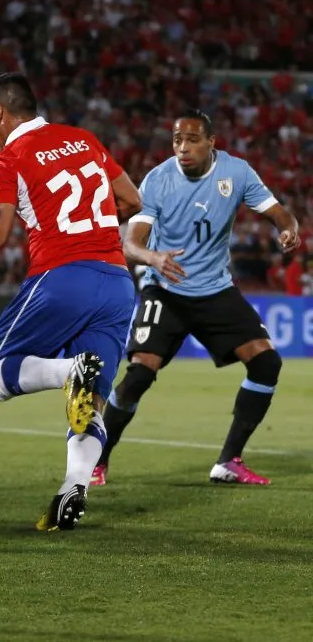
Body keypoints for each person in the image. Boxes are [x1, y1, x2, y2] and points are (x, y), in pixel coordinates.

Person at [0, 72, 142, 531]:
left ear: (0, 111)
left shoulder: (8, 158)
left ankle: (68, 370)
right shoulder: (84, 139)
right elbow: (132, 200)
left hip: (62, 277)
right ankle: (72, 488)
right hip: (117, 282)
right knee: (92, 400)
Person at [91, 110, 299, 487]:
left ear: (210, 142)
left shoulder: (236, 173)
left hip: (215, 289)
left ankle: (228, 462)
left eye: (192, 140)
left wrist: (287, 231)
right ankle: (97, 461)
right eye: (176, 140)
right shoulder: (157, 180)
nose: (183, 148)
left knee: (267, 363)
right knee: (139, 374)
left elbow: (279, 213)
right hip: (166, 289)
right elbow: (130, 244)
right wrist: (155, 258)